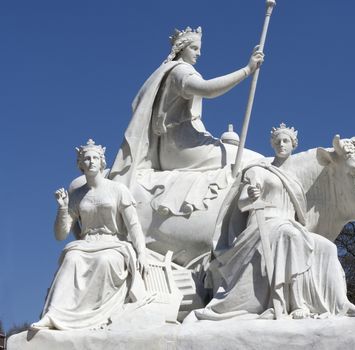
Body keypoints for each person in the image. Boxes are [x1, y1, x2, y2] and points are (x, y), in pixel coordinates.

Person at [193, 124, 355, 320]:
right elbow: (242, 202)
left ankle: (340, 304)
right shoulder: (259, 170)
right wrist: (252, 195)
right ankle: (294, 303)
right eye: (277, 141)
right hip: (263, 224)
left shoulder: (294, 180)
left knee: (327, 247)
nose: (281, 144)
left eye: (285, 141)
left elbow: (299, 215)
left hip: (288, 225)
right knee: (290, 235)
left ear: (294, 144)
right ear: (272, 145)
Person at [110, 27, 264, 183]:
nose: (199, 53)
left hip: (177, 147)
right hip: (183, 148)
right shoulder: (180, 71)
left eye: (199, 49)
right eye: (194, 48)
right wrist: (247, 70)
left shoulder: (170, 71)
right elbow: (208, 89)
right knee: (257, 161)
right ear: (181, 49)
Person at [30, 139, 150, 330]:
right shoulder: (77, 195)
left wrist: (141, 252)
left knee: (105, 260)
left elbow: (134, 225)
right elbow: (60, 235)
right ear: (80, 164)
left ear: (102, 161)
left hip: (113, 244)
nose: (91, 161)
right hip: (85, 244)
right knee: (71, 259)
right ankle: (53, 316)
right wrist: (62, 209)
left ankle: (98, 317)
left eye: (95, 158)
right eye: (86, 159)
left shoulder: (118, 189)